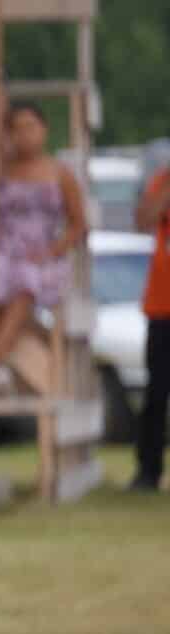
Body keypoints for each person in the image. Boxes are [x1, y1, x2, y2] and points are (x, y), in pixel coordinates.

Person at [0, 102, 87, 387]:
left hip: (42, 254)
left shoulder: (60, 173)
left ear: (44, 130)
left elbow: (78, 223)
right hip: (4, 249)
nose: (24, 135)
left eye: (30, 127)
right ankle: (1, 356)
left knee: (25, 280)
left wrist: (52, 251)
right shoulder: (1, 172)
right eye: (17, 129)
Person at [130, 164, 170, 492]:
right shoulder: (162, 179)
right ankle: (148, 471)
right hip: (163, 307)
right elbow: (143, 221)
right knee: (156, 393)